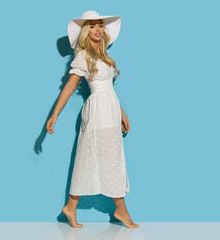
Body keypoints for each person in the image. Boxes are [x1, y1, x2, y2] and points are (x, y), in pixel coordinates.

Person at [46, 10, 139, 228]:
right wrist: (55, 114)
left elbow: (110, 90)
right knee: (102, 158)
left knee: (99, 158)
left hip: (110, 110)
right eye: (92, 26)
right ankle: (121, 210)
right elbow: (70, 86)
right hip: (98, 111)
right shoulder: (83, 56)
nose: (97, 29)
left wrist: (123, 114)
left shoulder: (104, 56)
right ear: (85, 31)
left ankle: (71, 207)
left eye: (100, 25)